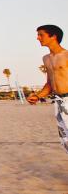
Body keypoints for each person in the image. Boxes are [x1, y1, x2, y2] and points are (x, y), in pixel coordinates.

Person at [27, 24, 68, 153]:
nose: (38, 38)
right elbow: (50, 84)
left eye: (41, 35)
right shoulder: (46, 59)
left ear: (54, 36)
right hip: (58, 102)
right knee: (65, 139)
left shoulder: (67, 56)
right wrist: (38, 96)